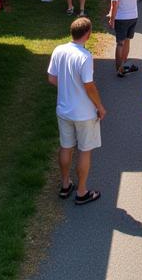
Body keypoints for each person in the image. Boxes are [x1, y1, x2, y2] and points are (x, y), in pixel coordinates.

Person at [47, 16, 105, 205]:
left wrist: (67, 88)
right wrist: (100, 106)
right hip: (84, 113)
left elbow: (52, 78)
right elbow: (89, 86)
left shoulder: (59, 50)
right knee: (84, 151)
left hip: (64, 109)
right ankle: (82, 191)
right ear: (87, 34)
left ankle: (65, 185)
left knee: (66, 147)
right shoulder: (85, 57)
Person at [108, 0, 140, 77]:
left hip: (121, 17)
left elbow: (114, 4)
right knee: (127, 40)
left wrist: (112, 18)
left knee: (119, 43)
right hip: (133, 15)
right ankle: (124, 63)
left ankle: (119, 68)